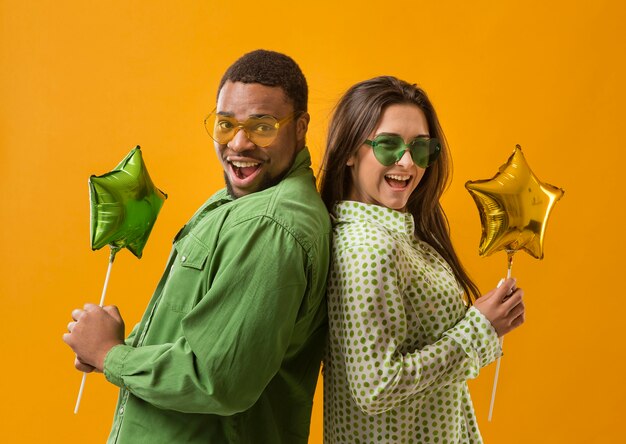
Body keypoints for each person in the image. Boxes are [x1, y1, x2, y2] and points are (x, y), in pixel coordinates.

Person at [63, 50, 331, 444]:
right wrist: (121, 344)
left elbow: (217, 379)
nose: (239, 144)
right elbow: (204, 332)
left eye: (262, 126)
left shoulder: (268, 225)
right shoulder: (235, 202)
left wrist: (110, 356)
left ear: (301, 126)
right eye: (226, 125)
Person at [319, 76, 525, 443]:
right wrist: (479, 329)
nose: (407, 162)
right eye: (388, 146)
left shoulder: (398, 237)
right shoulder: (369, 248)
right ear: (349, 151)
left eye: (421, 149)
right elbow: (376, 388)